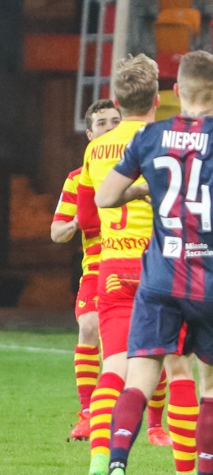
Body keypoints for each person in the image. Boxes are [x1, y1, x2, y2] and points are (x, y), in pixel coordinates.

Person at [92, 50, 213, 475]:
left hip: (160, 279)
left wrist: (143, 189)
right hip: (212, 280)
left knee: (138, 380)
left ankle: (116, 467)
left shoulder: (148, 136)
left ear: (175, 92)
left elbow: (105, 196)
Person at [77, 54, 196, 475]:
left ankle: (99, 459)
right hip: (159, 264)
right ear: (157, 99)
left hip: (112, 267)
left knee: (114, 367)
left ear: (118, 100)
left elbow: (88, 215)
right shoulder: (164, 139)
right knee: (177, 367)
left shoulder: (95, 149)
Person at [51, 99, 121, 440]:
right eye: (102, 123)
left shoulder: (138, 170)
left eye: (115, 121)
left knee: (152, 342)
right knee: (89, 326)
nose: (110, 128)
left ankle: (154, 425)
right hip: (97, 266)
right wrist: (76, 222)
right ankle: (88, 414)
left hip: (138, 262)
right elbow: (56, 232)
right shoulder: (77, 180)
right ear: (90, 135)